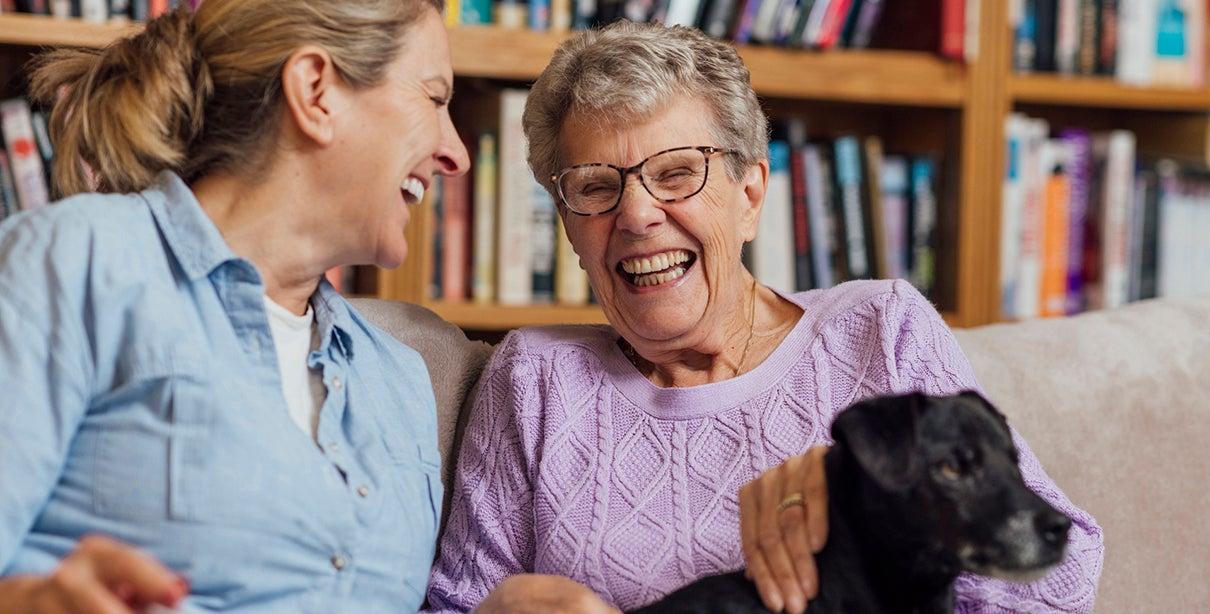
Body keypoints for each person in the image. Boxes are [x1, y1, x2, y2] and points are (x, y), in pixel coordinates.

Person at [425, 21, 1103, 614]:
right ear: (569, 228)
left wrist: (858, 493)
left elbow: (1060, 583)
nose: (635, 216)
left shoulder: (879, 332)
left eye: (676, 172)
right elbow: (450, 605)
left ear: (750, 195)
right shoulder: (535, 378)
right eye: (596, 187)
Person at [0, 0, 469, 611]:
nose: (456, 153)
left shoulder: (399, 377)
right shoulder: (77, 261)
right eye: (435, 99)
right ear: (316, 91)